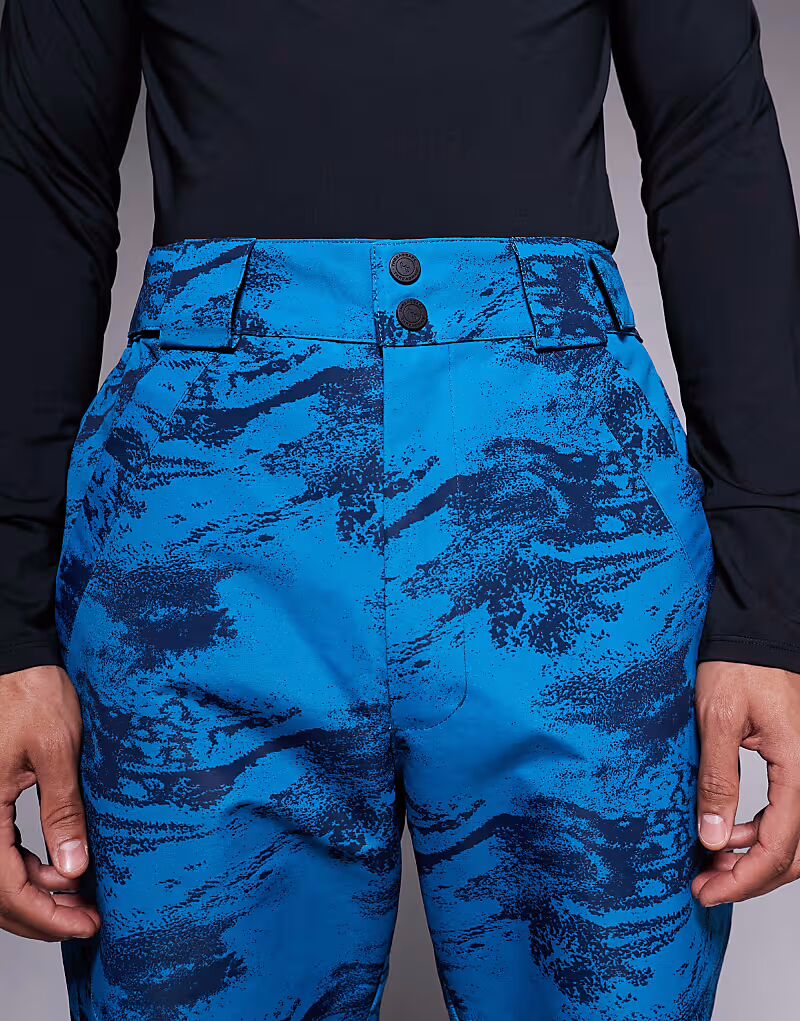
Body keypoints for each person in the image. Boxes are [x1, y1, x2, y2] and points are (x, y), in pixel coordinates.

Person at [0, 0, 798, 1017]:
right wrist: (8, 631)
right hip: (205, 526)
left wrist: (768, 614)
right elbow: (42, 173)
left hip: (562, 516)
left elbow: (710, 139)